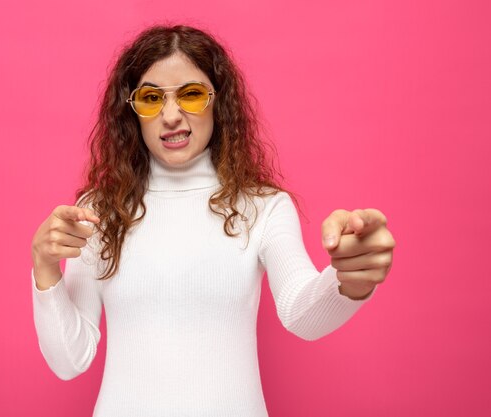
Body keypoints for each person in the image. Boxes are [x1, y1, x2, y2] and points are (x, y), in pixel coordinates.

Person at [30, 25, 395, 417]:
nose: (171, 116)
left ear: (218, 102)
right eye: (152, 98)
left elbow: (301, 314)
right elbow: (70, 360)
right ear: (131, 110)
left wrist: (349, 280)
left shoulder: (263, 206)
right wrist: (44, 266)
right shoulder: (99, 211)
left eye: (190, 94)